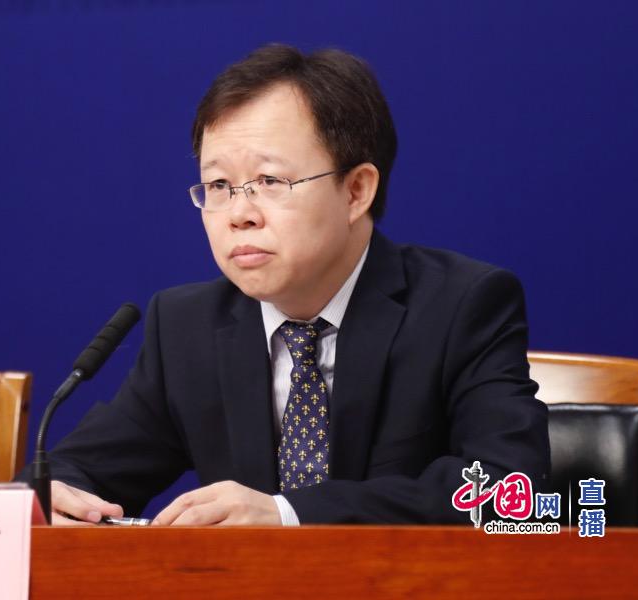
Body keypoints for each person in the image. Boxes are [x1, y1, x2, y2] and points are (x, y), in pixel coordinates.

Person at [43, 44, 550, 526]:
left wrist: (289, 516)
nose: (239, 214)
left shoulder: (461, 306)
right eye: (218, 186)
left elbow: (511, 491)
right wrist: (55, 498)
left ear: (356, 191)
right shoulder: (185, 326)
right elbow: (75, 471)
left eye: (269, 181)